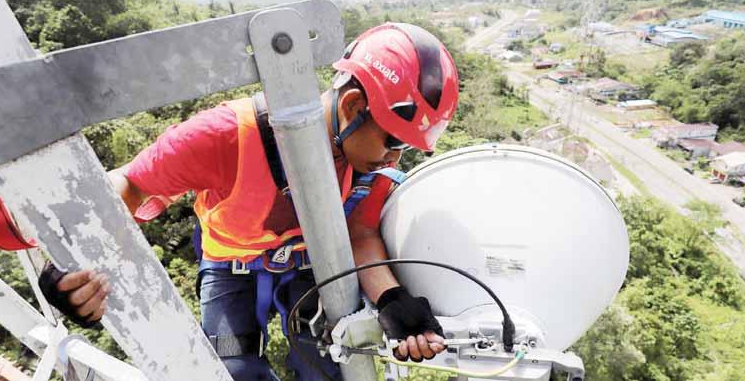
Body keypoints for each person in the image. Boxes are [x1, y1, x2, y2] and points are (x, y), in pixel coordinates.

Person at [37, 23, 460, 380]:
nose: (393, 159)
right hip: (230, 266)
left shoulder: (370, 168)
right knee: (231, 369)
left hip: (312, 264)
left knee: (329, 364)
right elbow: (130, 184)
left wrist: (393, 302)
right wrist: (69, 261)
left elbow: (360, 233)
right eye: (393, 142)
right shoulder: (225, 137)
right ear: (352, 106)